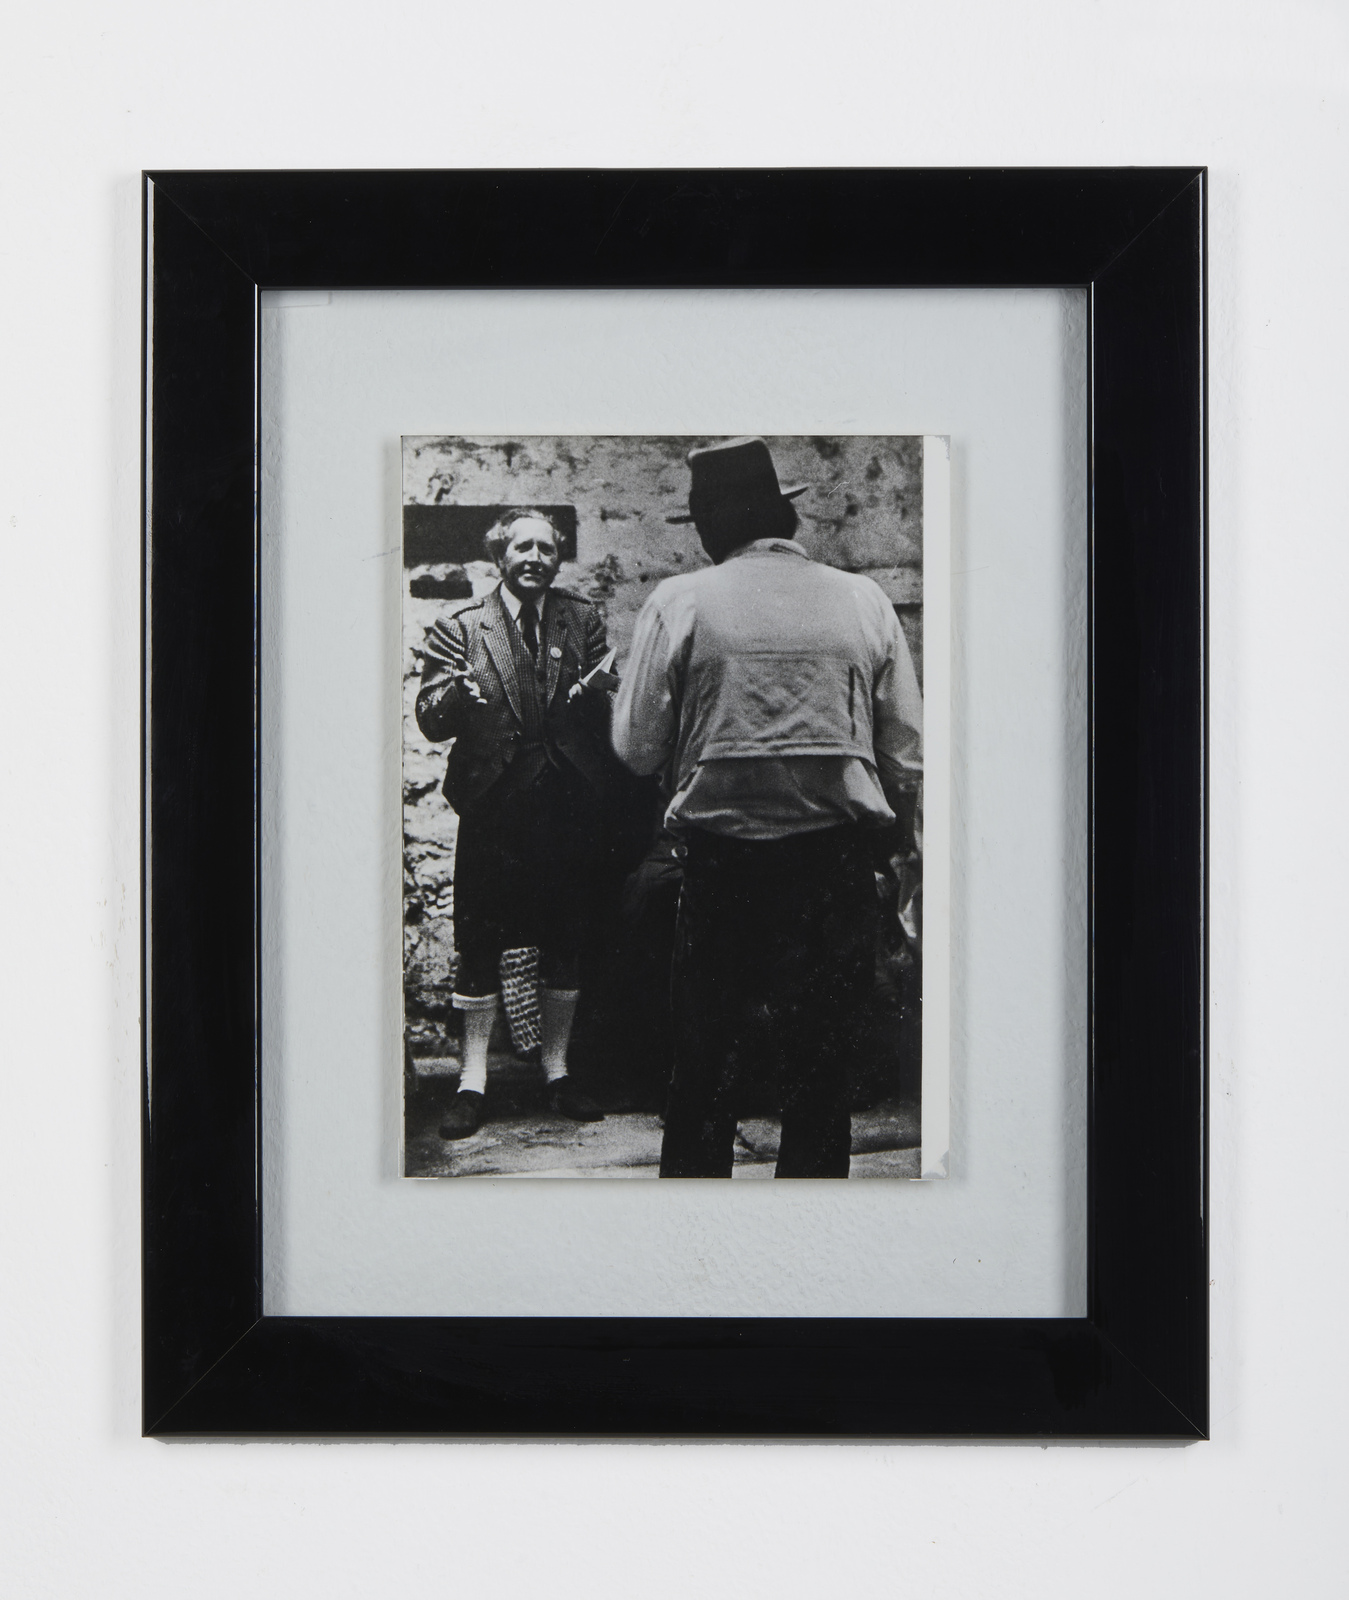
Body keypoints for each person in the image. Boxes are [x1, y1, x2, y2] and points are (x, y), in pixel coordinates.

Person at [611, 438, 923, 1178]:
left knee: (704, 1074)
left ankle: (697, 1236)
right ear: (784, 516)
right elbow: (907, 753)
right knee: (820, 1081)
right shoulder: (863, 599)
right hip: (832, 870)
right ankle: (806, 1237)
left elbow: (636, 749)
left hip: (723, 872)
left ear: (709, 526)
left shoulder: (680, 600)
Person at [415, 509, 612, 1138]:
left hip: (564, 808)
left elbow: (609, 705)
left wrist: (596, 694)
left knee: (564, 940)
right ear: (499, 556)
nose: (534, 558)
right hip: (492, 809)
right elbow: (429, 718)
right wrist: (456, 696)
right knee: (479, 945)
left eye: (546, 549)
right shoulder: (461, 626)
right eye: (522, 547)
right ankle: (472, 1083)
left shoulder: (581, 620)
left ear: (558, 558)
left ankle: (557, 1073)